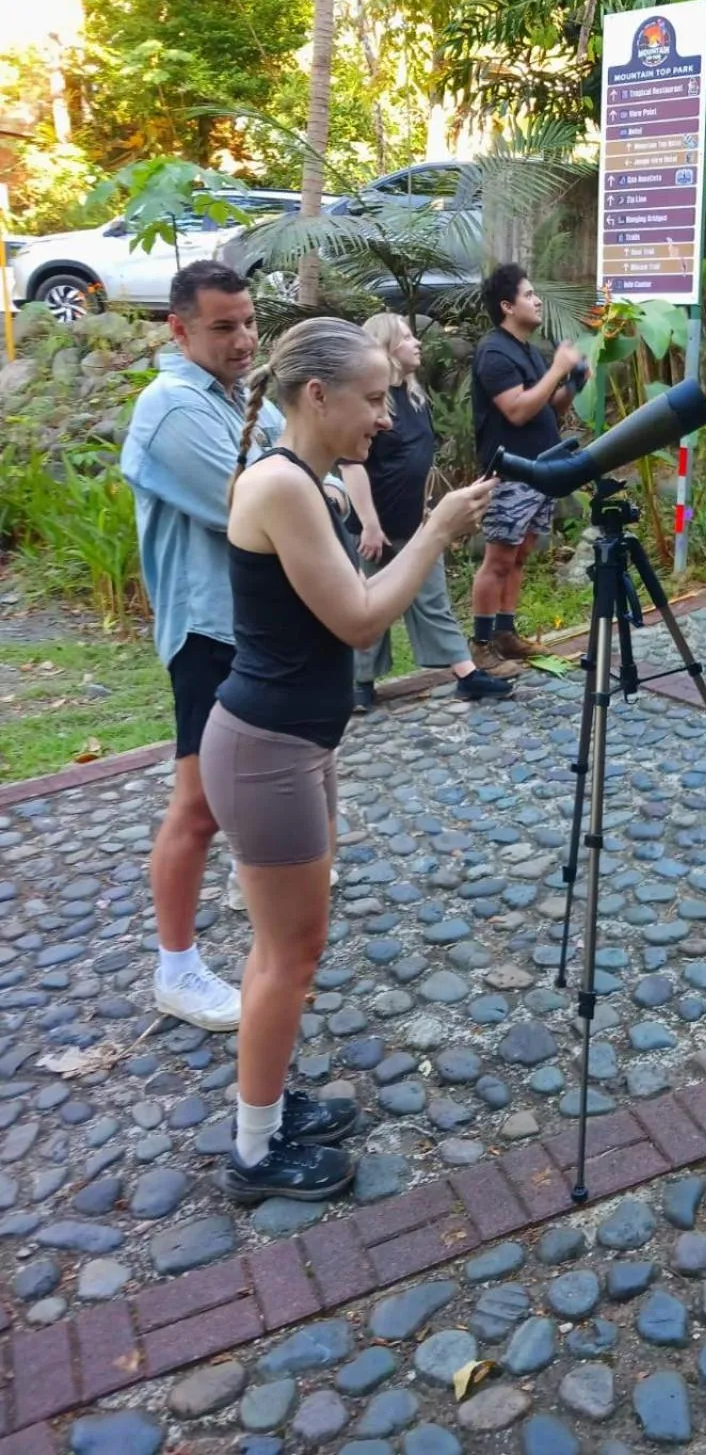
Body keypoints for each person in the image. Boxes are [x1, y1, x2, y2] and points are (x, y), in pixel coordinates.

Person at [199, 317, 495, 1201]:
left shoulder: (310, 484)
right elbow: (361, 620)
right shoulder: (282, 486)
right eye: (373, 400)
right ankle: (255, 1154)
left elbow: (348, 606)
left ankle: (267, 1107)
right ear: (317, 396)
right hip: (267, 751)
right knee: (287, 954)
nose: (386, 418)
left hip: (293, 744)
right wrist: (435, 531)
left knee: (291, 947)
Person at [121, 262, 313, 1031]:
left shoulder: (234, 397)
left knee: (255, 783)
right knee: (198, 806)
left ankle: (254, 889)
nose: (244, 340)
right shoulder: (171, 408)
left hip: (253, 628)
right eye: (223, 327)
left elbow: (296, 477)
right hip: (209, 632)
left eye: (250, 322)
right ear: (179, 329)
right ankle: (176, 971)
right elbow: (260, 502)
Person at [340, 312, 517, 709]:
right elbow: (351, 465)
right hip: (372, 526)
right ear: (385, 347)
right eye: (406, 337)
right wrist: (369, 524)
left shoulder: (416, 398)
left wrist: (425, 511)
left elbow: (420, 460)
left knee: (432, 597)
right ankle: (360, 683)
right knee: (369, 603)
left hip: (414, 524)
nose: (416, 342)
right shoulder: (370, 403)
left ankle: (466, 674)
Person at [469, 263, 585, 667]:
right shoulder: (494, 352)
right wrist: (558, 368)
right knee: (499, 559)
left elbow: (549, 408)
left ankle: (506, 634)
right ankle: (481, 645)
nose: (537, 301)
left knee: (519, 555)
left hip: (541, 470)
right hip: (510, 474)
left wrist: (573, 382)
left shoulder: (528, 352)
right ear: (507, 306)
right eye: (529, 295)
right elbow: (517, 410)